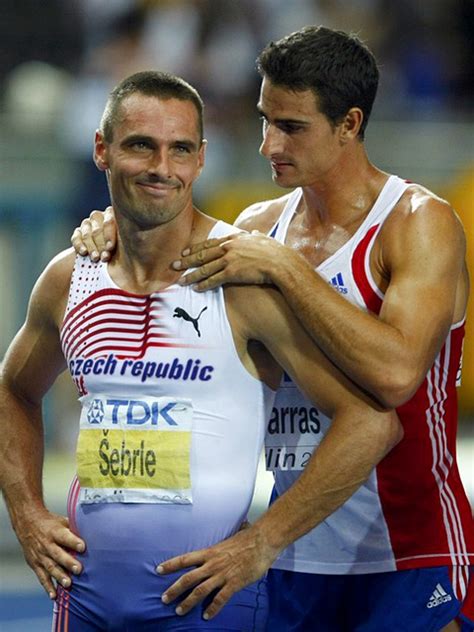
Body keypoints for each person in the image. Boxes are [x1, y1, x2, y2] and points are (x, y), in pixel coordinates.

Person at [71, 27, 473, 632]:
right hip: (290, 550)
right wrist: (105, 226)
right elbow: (160, 237)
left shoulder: (417, 223)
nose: (267, 144)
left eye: (292, 126)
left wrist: (286, 268)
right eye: (265, 119)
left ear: (349, 123)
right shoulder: (258, 226)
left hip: (410, 548)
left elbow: (395, 377)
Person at [0, 70, 404, 631]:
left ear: (201, 159)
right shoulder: (70, 277)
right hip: (83, 600)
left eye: (180, 150)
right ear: (102, 150)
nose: (162, 168)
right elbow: (14, 390)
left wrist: (262, 541)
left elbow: (372, 423)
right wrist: (25, 512)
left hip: (207, 607)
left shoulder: (238, 278)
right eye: (142, 145)